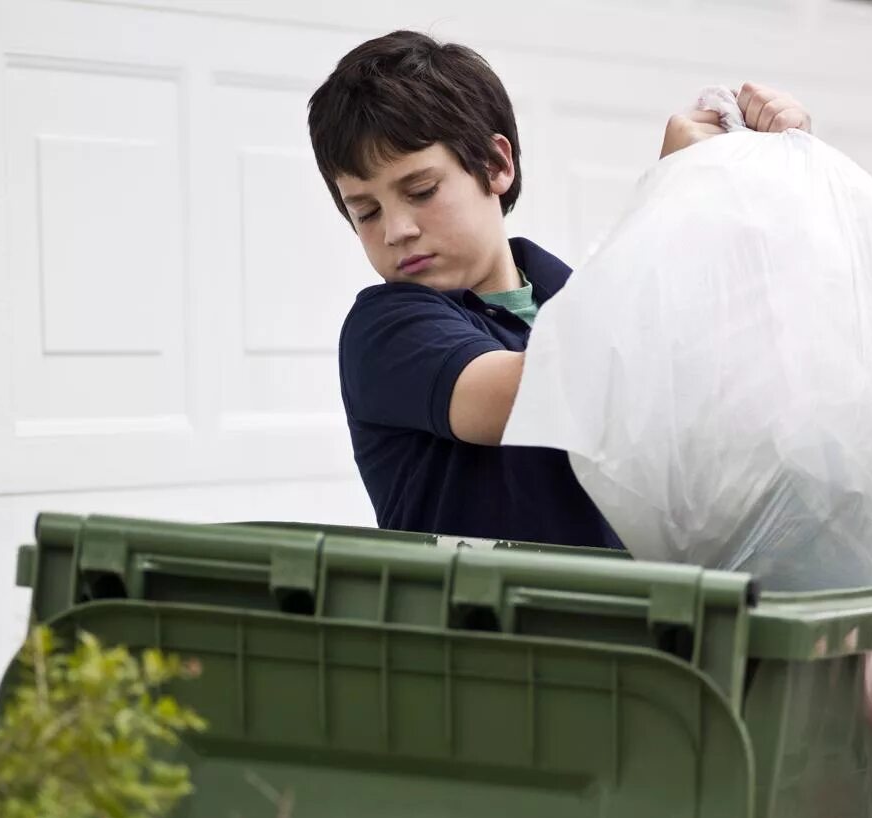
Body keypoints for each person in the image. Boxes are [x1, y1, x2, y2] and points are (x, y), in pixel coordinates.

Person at [307, 30, 812, 548]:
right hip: (487, 628)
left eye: (421, 191)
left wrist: (779, 167)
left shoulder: (570, 295)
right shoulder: (388, 330)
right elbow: (542, 392)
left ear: (495, 164)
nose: (396, 230)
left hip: (628, 619)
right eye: (365, 211)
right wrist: (670, 196)